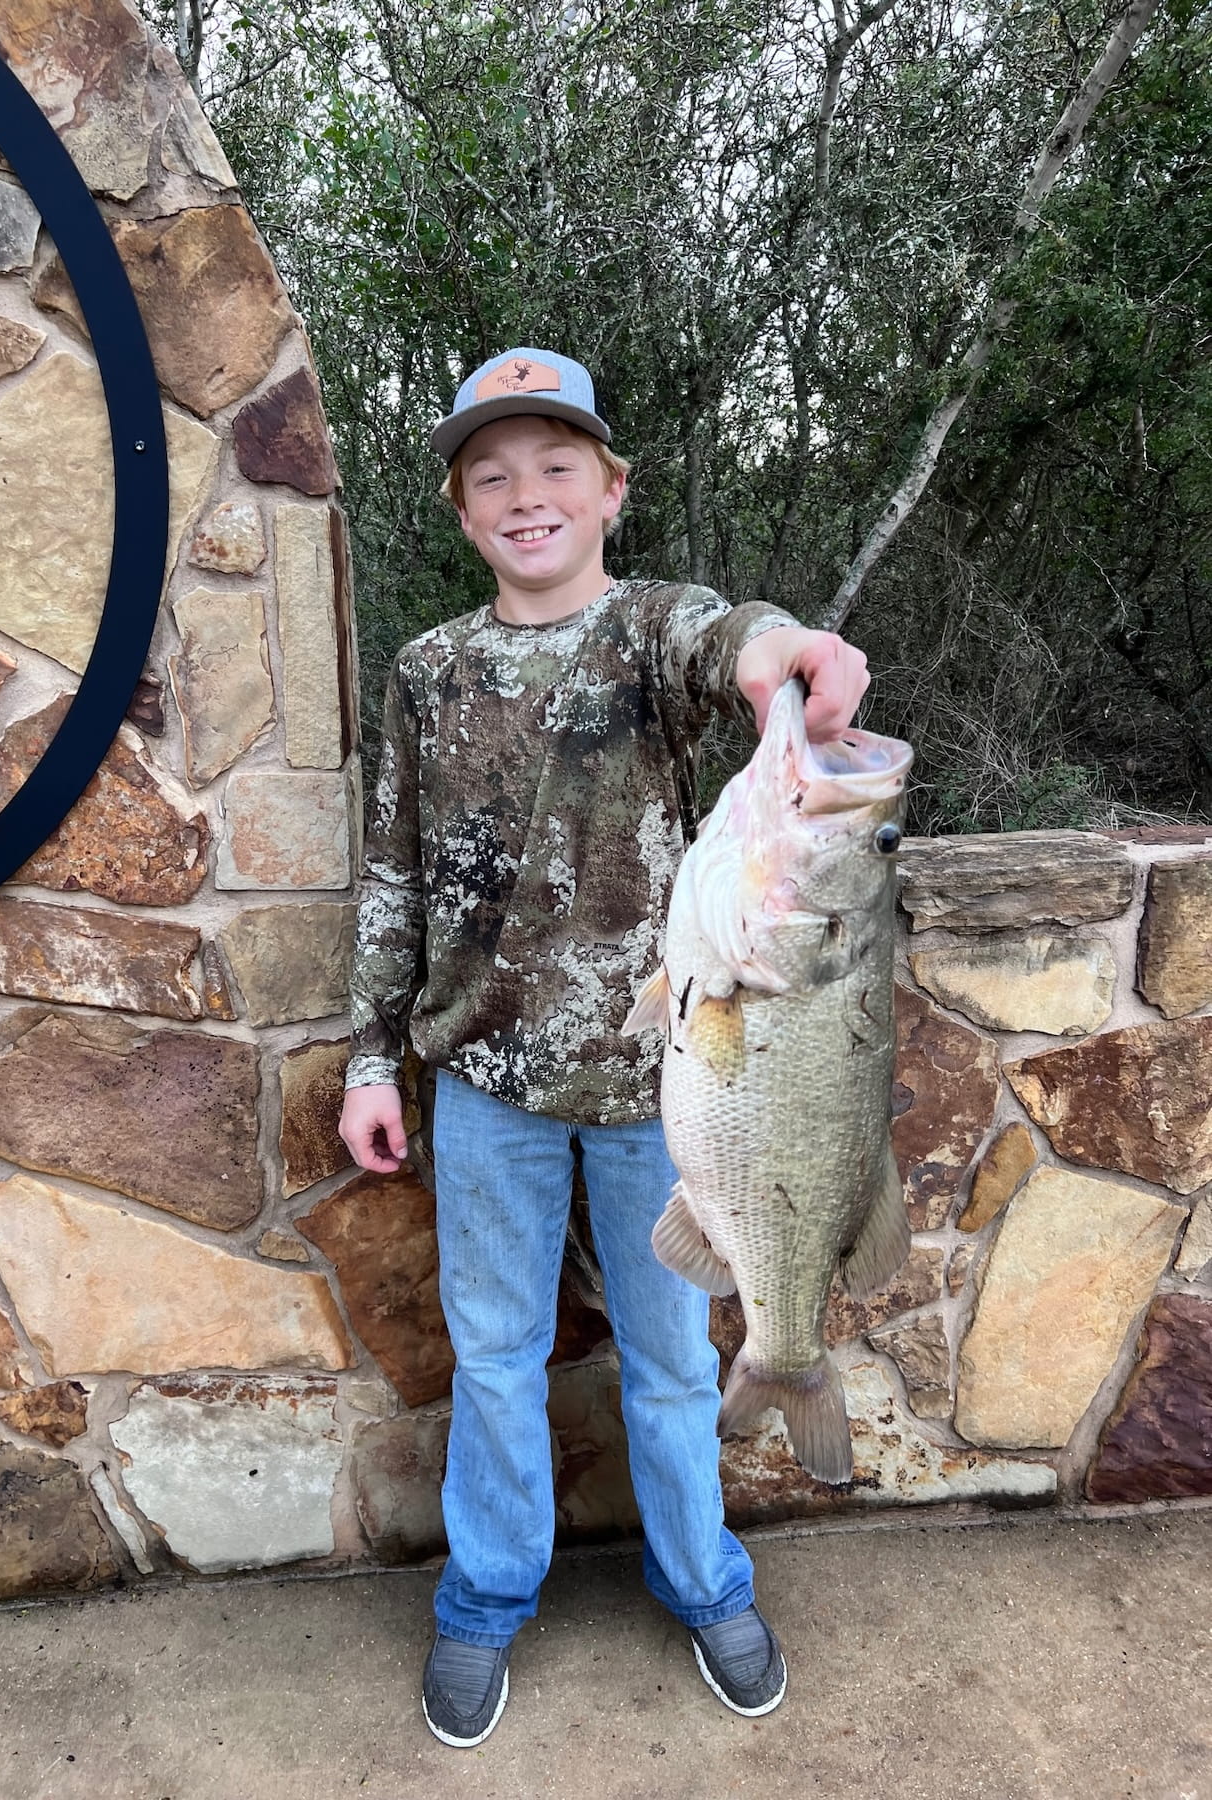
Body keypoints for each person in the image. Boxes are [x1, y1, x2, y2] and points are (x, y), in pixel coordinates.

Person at [337, 347, 869, 1748]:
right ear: (459, 509)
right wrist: (369, 1060)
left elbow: (732, 637)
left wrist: (792, 661)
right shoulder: (426, 669)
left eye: (556, 466)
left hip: (671, 1093)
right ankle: (484, 1600)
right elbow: (389, 868)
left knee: (673, 1362)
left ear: (609, 490)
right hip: (488, 1084)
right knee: (496, 1358)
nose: (527, 496)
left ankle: (704, 1582)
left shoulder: (648, 632)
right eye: (493, 475)